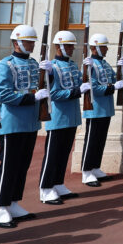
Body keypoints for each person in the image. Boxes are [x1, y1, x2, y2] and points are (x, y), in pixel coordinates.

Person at [0, 25, 48, 228]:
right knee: (9, 166)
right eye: (27, 42)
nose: (31, 45)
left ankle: (13, 202)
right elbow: (4, 95)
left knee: (22, 165)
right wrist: (33, 97)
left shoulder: (34, 64)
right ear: (16, 43)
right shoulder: (6, 65)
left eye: (33, 42)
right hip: (12, 122)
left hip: (30, 122)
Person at [38, 31, 82, 205]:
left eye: (72, 46)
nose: (71, 49)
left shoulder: (72, 66)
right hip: (57, 116)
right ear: (58, 47)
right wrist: (77, 91)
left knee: (64, 152)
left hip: (71, 116)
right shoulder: (52, 67)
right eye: (68, 46)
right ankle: (45, 187)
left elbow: (80, 83)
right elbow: (54, 94)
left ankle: (58, 183)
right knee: (52, 154)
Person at [80, 33, 123, 187]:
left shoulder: (104, 64)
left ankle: (95, 167)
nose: (106, 49)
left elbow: (114, 78)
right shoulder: (89, 64)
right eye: (104, 47)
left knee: (100, 140)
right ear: (95, 48)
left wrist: (122, 69)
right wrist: (113, 88)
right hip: (94, 108)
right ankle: (86, 171)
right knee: (91, 141)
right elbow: (93, 88)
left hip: (105, 108)